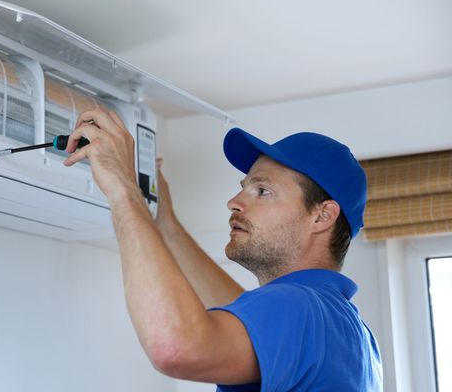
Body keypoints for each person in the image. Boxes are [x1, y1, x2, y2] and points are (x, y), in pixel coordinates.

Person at [63, 107, 383, 391]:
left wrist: (122, 187)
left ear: (322, 215)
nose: (234, 202)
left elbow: (174, 347)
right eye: (243, 188)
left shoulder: (299, 307)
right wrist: (166, 225)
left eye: (262, 190)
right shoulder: (344, 327)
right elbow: (245, 312)